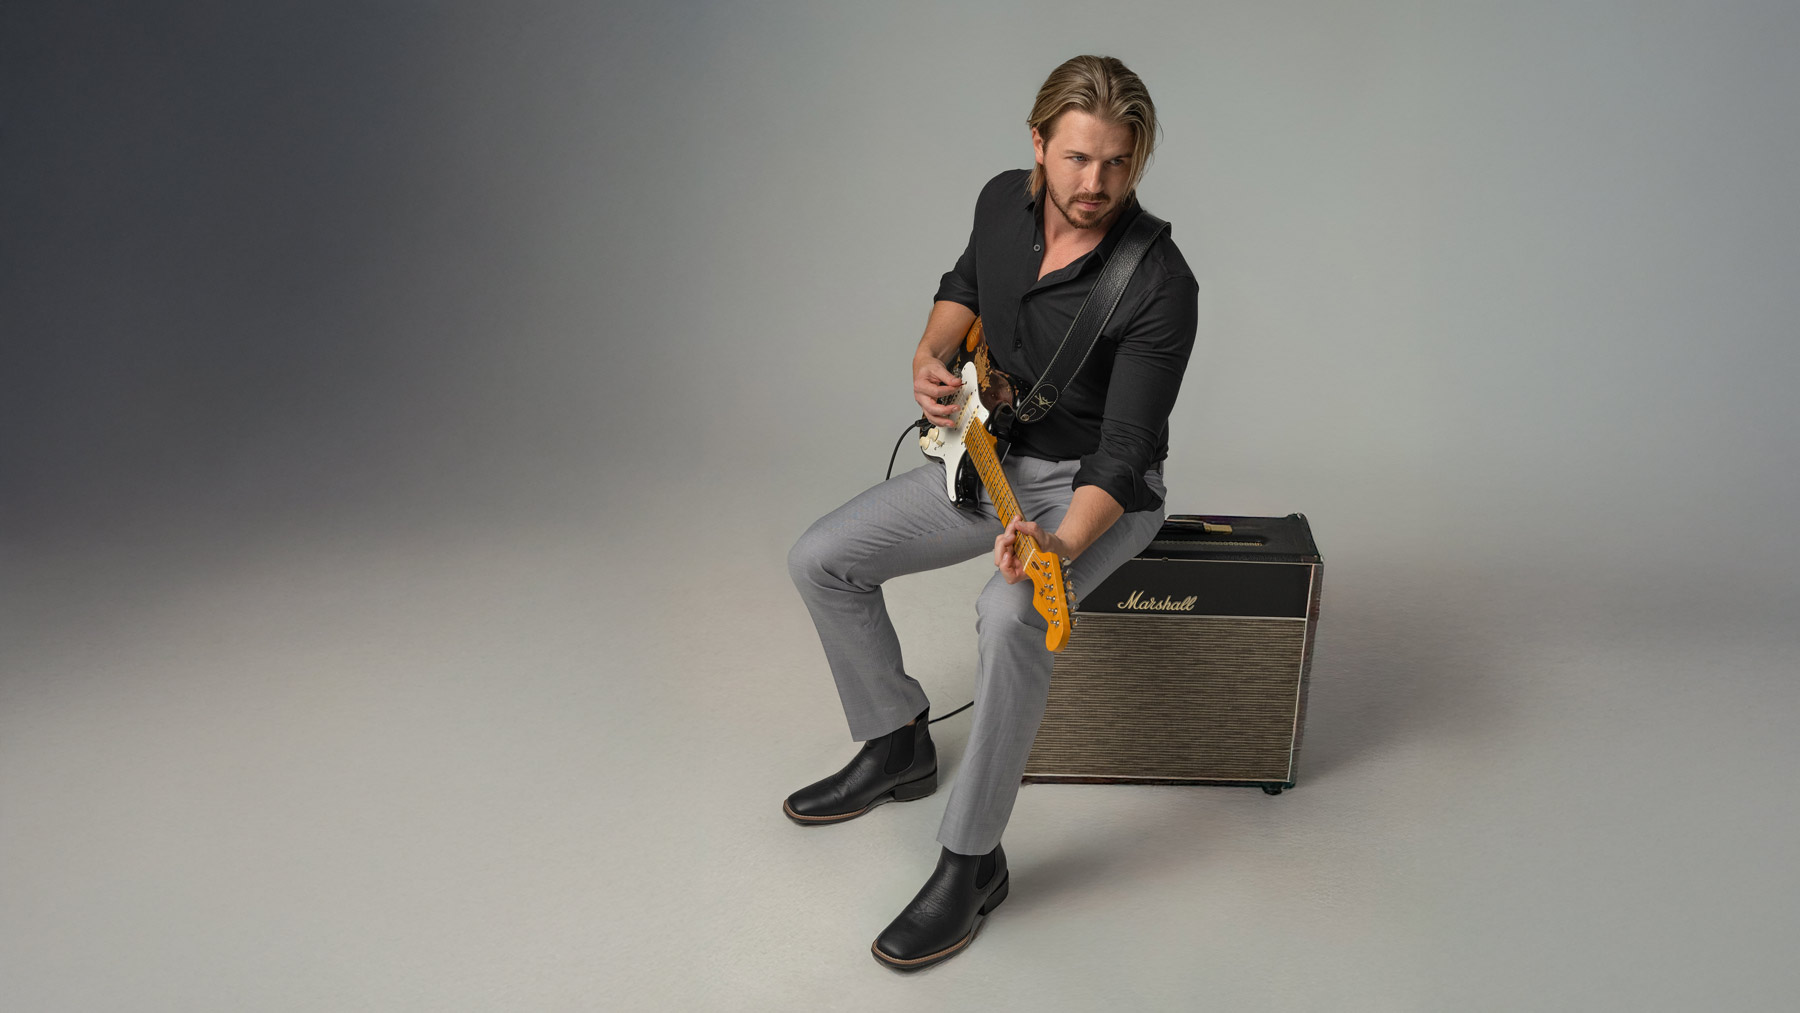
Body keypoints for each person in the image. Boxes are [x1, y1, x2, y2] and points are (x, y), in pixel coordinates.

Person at [784, 54, 1198, 971]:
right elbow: (964, 285)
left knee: (1010, 613)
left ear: (1137, 163)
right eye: (1079, 159)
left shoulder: (1161, 283)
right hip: (987, 454)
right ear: (1039, 142)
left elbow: (1125, 457)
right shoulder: (997, 203)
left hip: (1096, 493)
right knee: (821, 557)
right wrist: (933, 357)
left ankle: (972, 859)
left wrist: (1053, 540)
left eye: (1118, 165)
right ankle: (897, 743)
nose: (1094, 185)